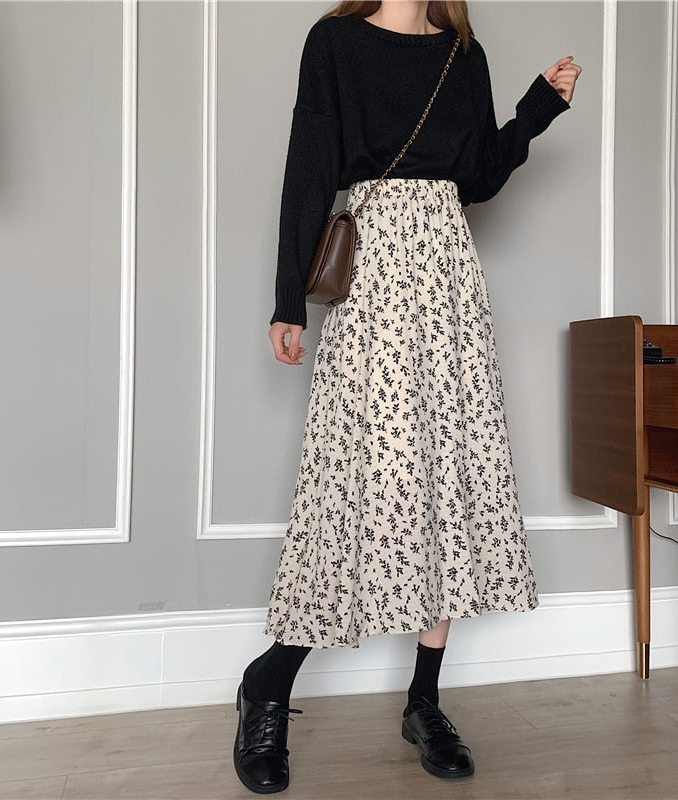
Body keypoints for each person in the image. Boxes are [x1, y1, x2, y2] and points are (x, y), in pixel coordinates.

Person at [234, 1, 581, 794]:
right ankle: (270, 681)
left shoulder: (463, 53)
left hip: (451, 277)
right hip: (377, 276)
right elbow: (310, 168)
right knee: (365, 482)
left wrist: (537, 109)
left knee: (446, 476)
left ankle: (424, 701)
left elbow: (478, 178)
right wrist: (289, 301)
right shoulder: (335, 42)